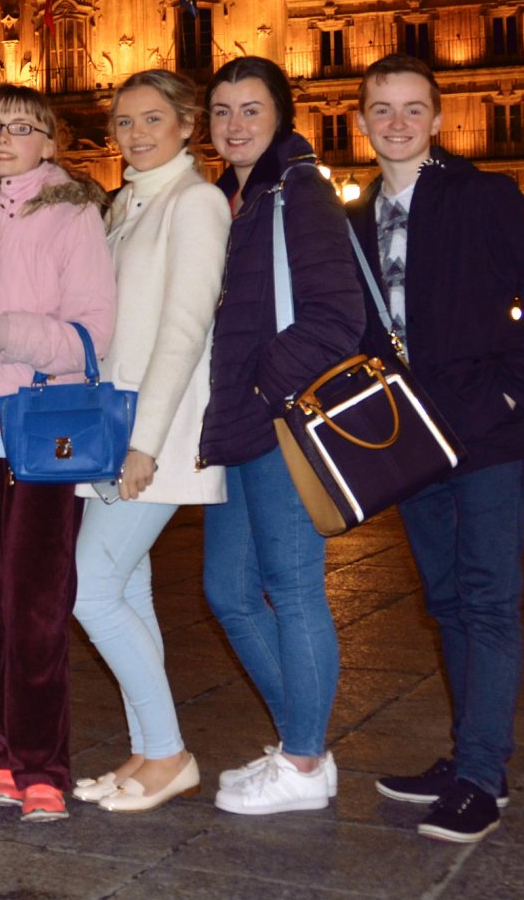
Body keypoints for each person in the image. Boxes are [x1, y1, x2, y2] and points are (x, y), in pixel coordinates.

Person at [349, 54, 524, 843]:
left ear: (439, 119)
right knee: (445, 600)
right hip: (409, 438)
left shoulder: (483, 196)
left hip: (485, 432)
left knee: (487, 599)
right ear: (361, 121)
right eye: (383, 109)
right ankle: (472, 756)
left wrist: (514, 388)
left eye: (415, 108)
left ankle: (482, 774)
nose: (399, 122)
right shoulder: (356, 217)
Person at [0, 82, 115, 824]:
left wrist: (11, 331)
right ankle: (0, 755)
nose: (3, 137)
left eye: (23, 127)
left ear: (50, 142)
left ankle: (45, 764)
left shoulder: (76, 214)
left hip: (43, 428)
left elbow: (94, 333)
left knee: (37, 603)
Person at [197, 55, 364, 816]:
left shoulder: (300, 190)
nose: (235, 124)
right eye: (222, 110)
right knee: (227, 590)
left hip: (277, 422)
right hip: (236, 423)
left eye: (250, 109)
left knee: (293, 589)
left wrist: (267, 388)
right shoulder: (232, 198)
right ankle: (307, 742)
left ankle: (300, 760)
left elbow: (336, 314)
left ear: (281, 116)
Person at [69, 70, 228, 815]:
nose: (135, 133)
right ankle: (146, 750)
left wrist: (146, 443)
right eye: (123, 120)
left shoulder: (195, 202)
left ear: (187, 122)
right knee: (127, 587)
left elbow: (185, 329)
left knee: (88, 584)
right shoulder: (127, 201)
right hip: (117, 427)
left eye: (152, 118)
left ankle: (169, 751)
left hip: (154, 434)